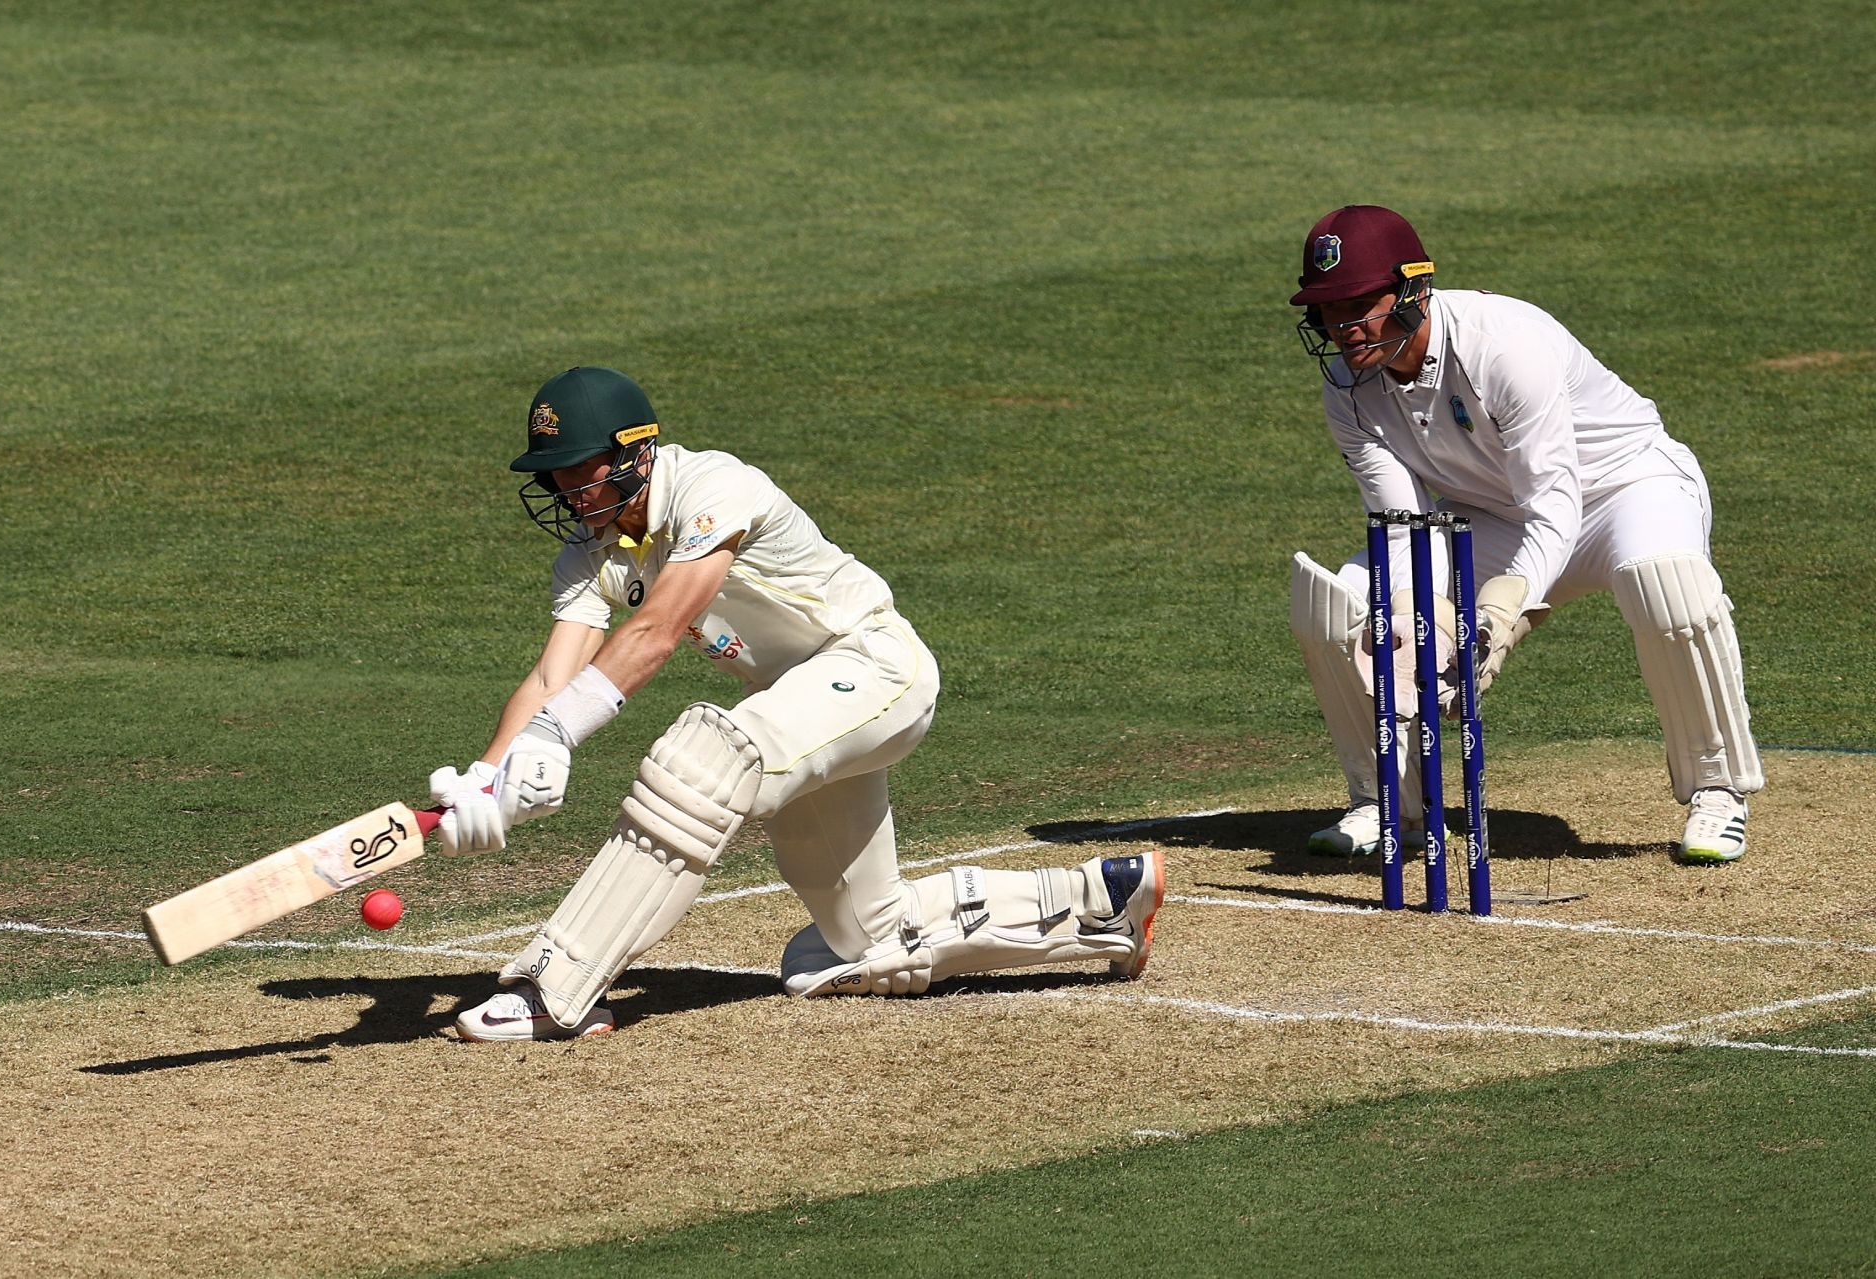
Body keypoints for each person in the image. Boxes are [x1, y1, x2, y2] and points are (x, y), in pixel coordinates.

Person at [430, 366, 1165, 1040]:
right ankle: (1103, 902)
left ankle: (554, 987)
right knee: (851, 946)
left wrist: (556, 733)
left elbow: (653, 633)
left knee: (705, 759)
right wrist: (487, 777)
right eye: (552, 478)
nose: (565, 492)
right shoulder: (590, 554)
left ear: (634, 452)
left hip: (874, 668)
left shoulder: (713, 487)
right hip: (798, 708)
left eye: (577, 472)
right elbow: (551, 677)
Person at [1283, 205, 1762, 866]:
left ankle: (1719, 790)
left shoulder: (1503, 344)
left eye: (1362, 304)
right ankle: (1387, 800)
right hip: (1492, 515)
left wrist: (1500, 615)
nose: (1345, 327)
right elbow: (1403, 527)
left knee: (1664, 584)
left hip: (1624, 489)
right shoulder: (1347, 386)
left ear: (1414, 289)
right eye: (1330, 311)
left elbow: (1557, 501)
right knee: (1341, 604)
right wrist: (1417, 620)